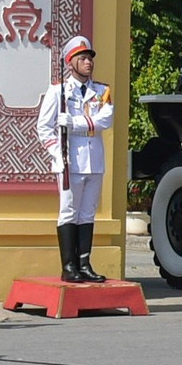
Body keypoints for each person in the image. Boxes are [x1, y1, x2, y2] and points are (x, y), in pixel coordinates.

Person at [35, 34, 113, 283]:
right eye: (82, 58)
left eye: (90, 58)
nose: (88, 62)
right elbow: (44, 127)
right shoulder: (58, 90)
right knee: (68, 212)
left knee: (88, 213)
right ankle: (69, 267)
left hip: (94, 160)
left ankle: (85, 264)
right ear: (71, 62)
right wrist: (56, 153)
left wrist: (75, 122)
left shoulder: (102, 91)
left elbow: (105, 120)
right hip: (69, 162)